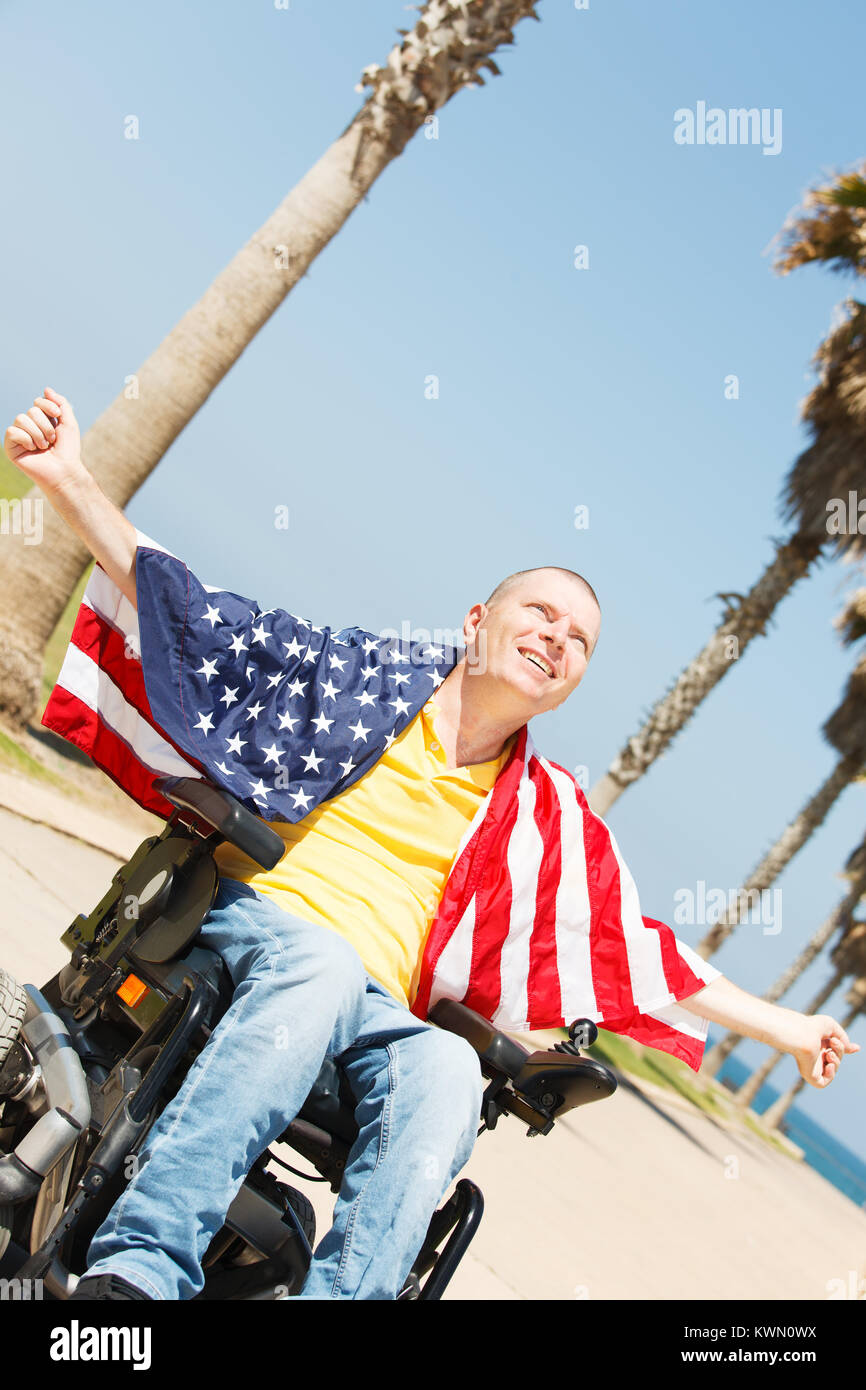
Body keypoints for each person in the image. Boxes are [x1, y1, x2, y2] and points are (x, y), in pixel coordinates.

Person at [3, 388, 859, 1302]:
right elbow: (196, 613)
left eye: (579, 642)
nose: (556, 638)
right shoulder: (356, 678)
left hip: (373, 1006)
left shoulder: (545, 818)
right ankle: (140, 1272)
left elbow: (637, 948)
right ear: (475, 623)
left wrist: (789, 1025)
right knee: (324, 966)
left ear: (569, 687)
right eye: (540, 615)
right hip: (254, 929)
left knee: (451, 1065)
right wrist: (70, 482)